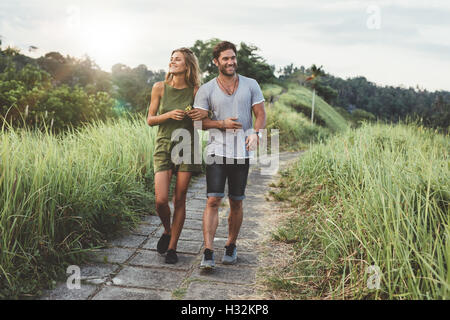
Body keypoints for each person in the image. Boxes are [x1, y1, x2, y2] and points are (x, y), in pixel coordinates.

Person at [192, 41, 266, 269]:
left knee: (236, 202)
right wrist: (221, 123)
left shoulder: (251, 84)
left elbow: (260, 114)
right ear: (216, 62)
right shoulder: (206, 89)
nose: (230, 62)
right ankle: (208, 251)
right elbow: (199, 122)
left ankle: (231, 245)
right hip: (216, 151)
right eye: (225, 58)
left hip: (241, 152)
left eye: (232, 57)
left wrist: (255, 132)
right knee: (213, 199)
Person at [147, 47, 208, 264]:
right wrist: (169, 115)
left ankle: (172, 247)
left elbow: (203, 122)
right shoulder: (159, 87)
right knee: (161, 200)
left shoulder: (196, 91)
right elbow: (150, 119)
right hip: (164, 145)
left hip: (187, 145)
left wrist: (198, 115)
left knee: (179, 199)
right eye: (171, 59)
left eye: (177, 59)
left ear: (187, 65)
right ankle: (167, 229)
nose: (172, 62)